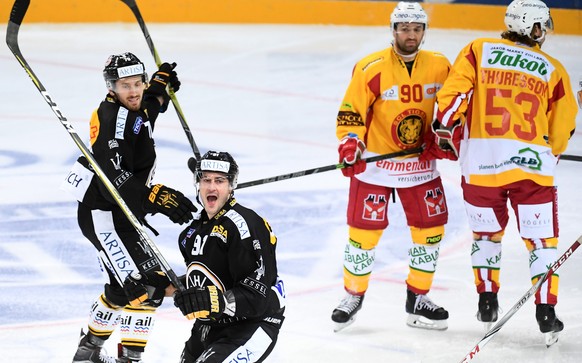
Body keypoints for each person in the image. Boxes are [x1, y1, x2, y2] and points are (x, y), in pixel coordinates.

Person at [425, 0, 578, 345]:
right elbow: (563, 127)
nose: (545, 33)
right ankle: (545, 311)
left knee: (486, 237)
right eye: (541, 26)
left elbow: (452, 99)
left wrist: (446, 129)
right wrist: (546, 154)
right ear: (528, 26)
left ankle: (487, 300)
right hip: (532, 171)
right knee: (541, 242)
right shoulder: (553, 68)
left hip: (481, 166)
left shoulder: (479, 50)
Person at [63, 52, 199, 362]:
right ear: (111, 87)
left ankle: (87, 354)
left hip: (119, 214)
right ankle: (126, 360)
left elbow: (146, 110)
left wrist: (159, 91)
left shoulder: (131, 107)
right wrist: (154, 197)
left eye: (139, 83)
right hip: (104, 214)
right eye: (126, 85)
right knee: (148, 289)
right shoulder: (111, 121)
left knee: (121, 290)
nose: (134, 91)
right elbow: (114, 180)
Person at [332, 1, 452, 332]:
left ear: (424, 32)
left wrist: (445, 131)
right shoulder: (371, 67)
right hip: (377, 167)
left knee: (430, 233)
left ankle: (418, 299)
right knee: (362, 235)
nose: (410, 35)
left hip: (420, 166)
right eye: (404, 29)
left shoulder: (440, 66)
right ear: (393, 30)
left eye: (416, 29)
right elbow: (351, 112)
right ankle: (353, 296)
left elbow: (456, 105)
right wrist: (351, 142)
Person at [125, 151, 286, 362]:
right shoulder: (190, 235)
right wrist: (155, 286)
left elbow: (258, 297)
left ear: (231, 186)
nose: (211, 187)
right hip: (209, 326)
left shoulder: (244, 225)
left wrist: (216, 301)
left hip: (253, 325)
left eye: (219, 181)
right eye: (206, 180)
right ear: (198, 184)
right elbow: (204, 283)